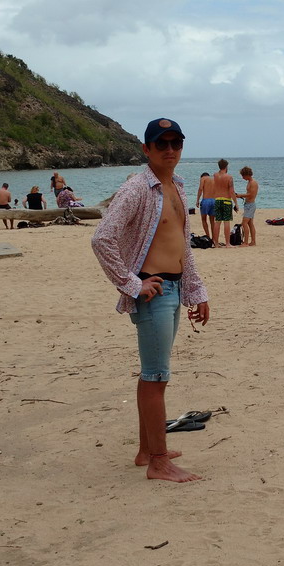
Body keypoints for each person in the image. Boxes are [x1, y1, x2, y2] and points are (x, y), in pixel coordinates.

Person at [91, 117, 209, 483]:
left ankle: (146, 450)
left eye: (176, 144)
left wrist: (196, 291)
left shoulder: (176, 186)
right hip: (152, 291)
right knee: (156, 377)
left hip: (173, 289)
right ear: (147, 149)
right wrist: (131, 283)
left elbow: (182, 246)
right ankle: (158, 461)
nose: (170, 150)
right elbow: (102, 239)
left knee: (153, 375)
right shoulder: (137, 189)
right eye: (162, 144)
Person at [212, 159, 237, 247]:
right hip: (226, 200)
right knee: (226, 222)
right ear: (226, 166)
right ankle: (227, 243)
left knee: (217, 221)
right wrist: (236, 203)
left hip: (217, 200)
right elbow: (231, 191)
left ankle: (216, 243)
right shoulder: (229, 177)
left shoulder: (215, 175)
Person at [237, 166, 259, 247]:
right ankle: (253, 241)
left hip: (251, 205)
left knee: (244, 223)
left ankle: (246, 242)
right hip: (248, 205)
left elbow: (251, 194)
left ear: (247, 174)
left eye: (243, 176)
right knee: (250, 224)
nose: (243, 178)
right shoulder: (249, 182)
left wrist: (240, 195)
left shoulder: (253, 183)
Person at [195, 172, 215, 241]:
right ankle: (214, 238)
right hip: (214, 200)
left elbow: (200, 189)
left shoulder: (203, 179)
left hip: (206, 201)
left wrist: (197, 200)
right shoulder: (213, 179)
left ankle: (208, 237)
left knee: (204, 219)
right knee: (212, 220)